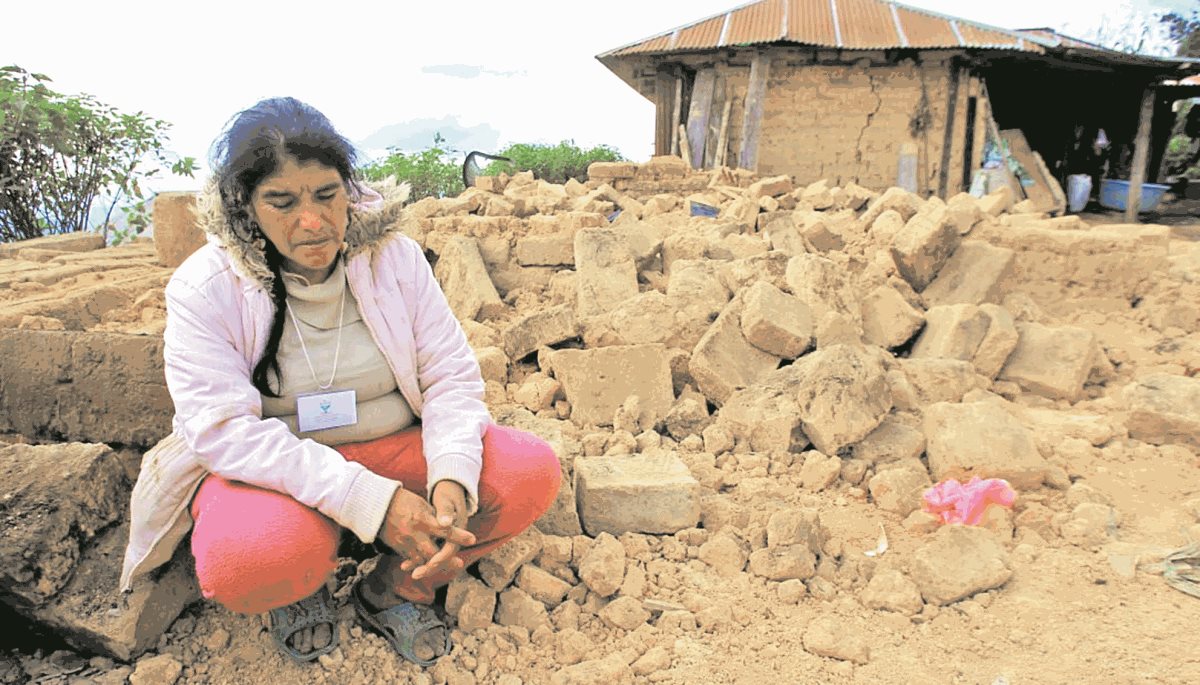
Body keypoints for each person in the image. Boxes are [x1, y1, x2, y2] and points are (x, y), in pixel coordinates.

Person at [120, 97, 561, 666]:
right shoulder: (205, 288)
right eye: (281, 202)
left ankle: (394, 587)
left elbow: (450, 376)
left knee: (526, 473)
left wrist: (451, 479)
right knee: (250, 561)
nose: (312, 221)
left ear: (347, 191)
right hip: (276, 473)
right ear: (246, 207)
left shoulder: (394, 260)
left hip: (395, 445)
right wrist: (369, 502)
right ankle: (302, 588)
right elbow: (224, 431)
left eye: (326, 195)